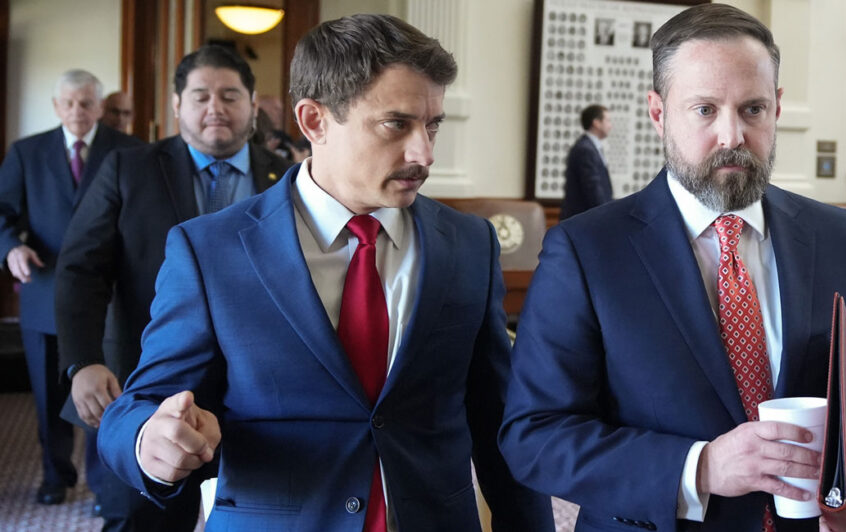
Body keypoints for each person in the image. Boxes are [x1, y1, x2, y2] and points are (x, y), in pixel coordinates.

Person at [96, 15, 555, 531]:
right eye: (396, 124)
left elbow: (496, 417)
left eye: (432, 126)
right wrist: (147, 440)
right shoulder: (211, 250)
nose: (424, 153)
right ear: (314, 121)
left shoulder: (469, 244)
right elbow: (140, 402)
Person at [499, 4, 846, 532]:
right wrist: (700, 467)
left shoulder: (842, 238)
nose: (732, 136)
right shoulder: (586, 252)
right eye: (704, 110)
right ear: (658, 113)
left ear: (777, 108)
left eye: (752, 109)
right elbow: (535, 436)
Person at [55, 45, 290, 531]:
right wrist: (83, 361)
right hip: (148, 384)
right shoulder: (128, 169)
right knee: (140, 518)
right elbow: (81, 270)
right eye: (200, 95)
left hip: (260, 392)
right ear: (177, 104)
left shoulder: (287, 179)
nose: (215, 108)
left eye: (230, 95)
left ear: (252, 104)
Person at [0, 70, 142, 507]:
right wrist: (10, 250)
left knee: (105, 393)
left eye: (86, 103)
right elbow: (2, 213)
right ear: (57, 106)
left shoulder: (131, 151)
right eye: (69, 103)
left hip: (108, 298)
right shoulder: (27, 151)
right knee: (48, 396)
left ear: (100, 107)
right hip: (44, 290)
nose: (78, 111)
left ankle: (105, 484)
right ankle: (54, 476)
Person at [560, 104, 613, 220]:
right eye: (608, 121)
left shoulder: (590, 147)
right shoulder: (585, 149)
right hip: (583, 220)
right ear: (596, 123)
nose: (611, 126)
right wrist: (607, 214)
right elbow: (592, 188)